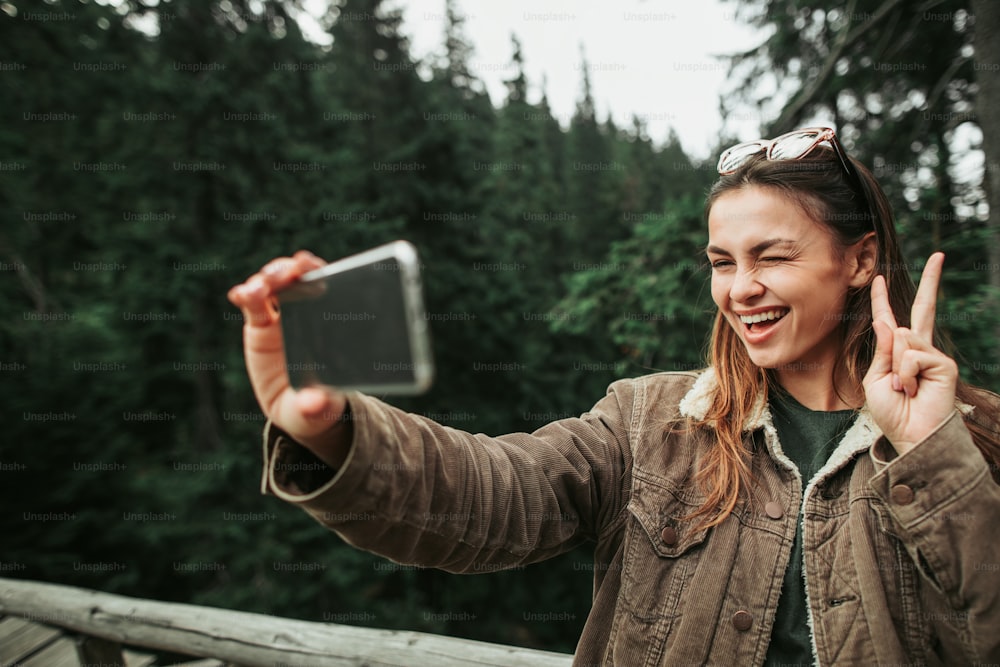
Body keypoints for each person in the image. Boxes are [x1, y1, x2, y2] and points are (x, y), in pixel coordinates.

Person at [227, 127, 1000, 667]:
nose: (741, 288)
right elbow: (491, 496)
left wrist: (935, 454)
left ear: (859, 260)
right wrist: (332, 431)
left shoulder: (975, 437)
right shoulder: (647, 422)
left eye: (772, 256)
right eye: (721, 261)